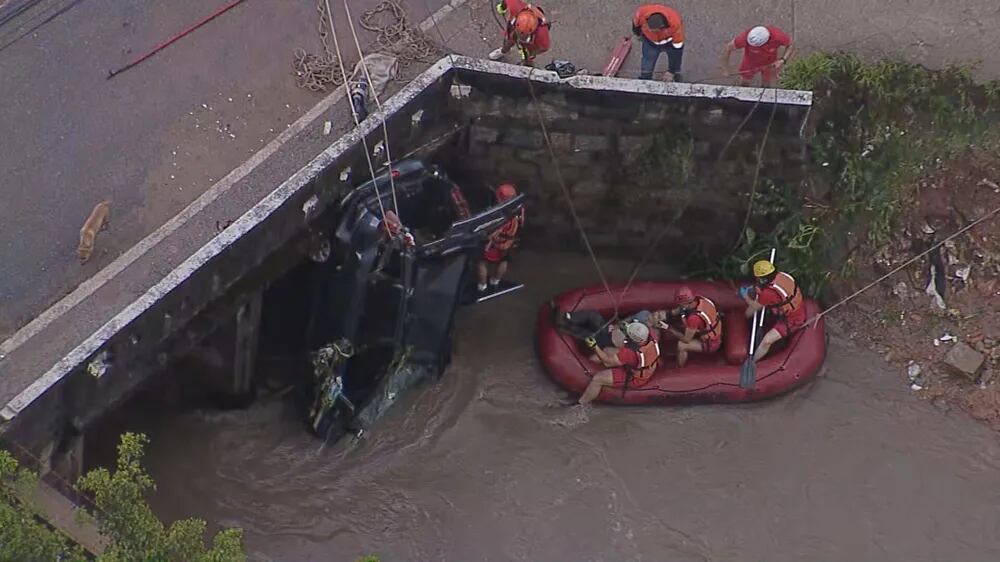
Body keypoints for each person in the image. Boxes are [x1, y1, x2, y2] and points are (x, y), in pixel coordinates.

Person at [578, 320, 661, 405]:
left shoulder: (629, 353)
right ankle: (587, 363)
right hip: (644, 366)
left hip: (635, 378)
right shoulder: (651, 336)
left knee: (597, 379)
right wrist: (626, 328)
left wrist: (594, 347)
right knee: (607, 350)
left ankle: (581, 403)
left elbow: (607, 362)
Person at [742, 260, 805, 360]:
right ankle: (743, 320)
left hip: (792, 319)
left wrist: (746, 297)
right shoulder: (783, 276)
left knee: (767, 341)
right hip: (793, 308)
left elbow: (755, 306)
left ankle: (753, 361)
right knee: (749, 313)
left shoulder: (769, 293)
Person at [477, 183, 524, 293]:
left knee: (481, 262)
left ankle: (482, 286)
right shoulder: (519, 209)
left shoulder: (500, 213)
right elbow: (521, 223)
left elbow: (494, 230)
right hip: (508, 241)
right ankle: (496, 281)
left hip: (494, 242)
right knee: (503, 261)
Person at [662, 286, 722, 367]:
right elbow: (680, 309)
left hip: (711, 343)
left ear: (686, 303)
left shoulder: (694, 318)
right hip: (712, 330)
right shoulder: (702, 300)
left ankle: (679, 368)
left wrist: (668, 328)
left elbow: (686, 339)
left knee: (681, 345)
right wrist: (668, 314)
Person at [721, 25, 794, 87]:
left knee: (766, 83)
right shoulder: (744, 38)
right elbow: (728, 48)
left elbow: (791, 45)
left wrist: (782, 60)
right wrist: (725, 69)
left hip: (770, 63)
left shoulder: (778, 36)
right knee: (745, 81)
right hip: (750, 62)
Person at [488, 1, 551, 67]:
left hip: (530, 44)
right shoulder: (515, 6)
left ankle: (527, 67)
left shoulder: (542, 34)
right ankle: (503, 51)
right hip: (513, 31)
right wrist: (502, 7)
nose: (520, 38)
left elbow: (543, 48)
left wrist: (530, 53)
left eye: (524, 36)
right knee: (507, 42)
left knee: (528, 59)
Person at [632, 4, 685, 82]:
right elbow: (635, 25)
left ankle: (674, 73)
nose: (652, 31)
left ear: (662, 26)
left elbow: (677, 49)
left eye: (655, 30)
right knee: (647, 64)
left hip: (670, 43)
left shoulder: (675, 23)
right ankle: (645, 78)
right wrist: (638, 34)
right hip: (650, 42)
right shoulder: (641, 13)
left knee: (674, 60)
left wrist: (671, 71)